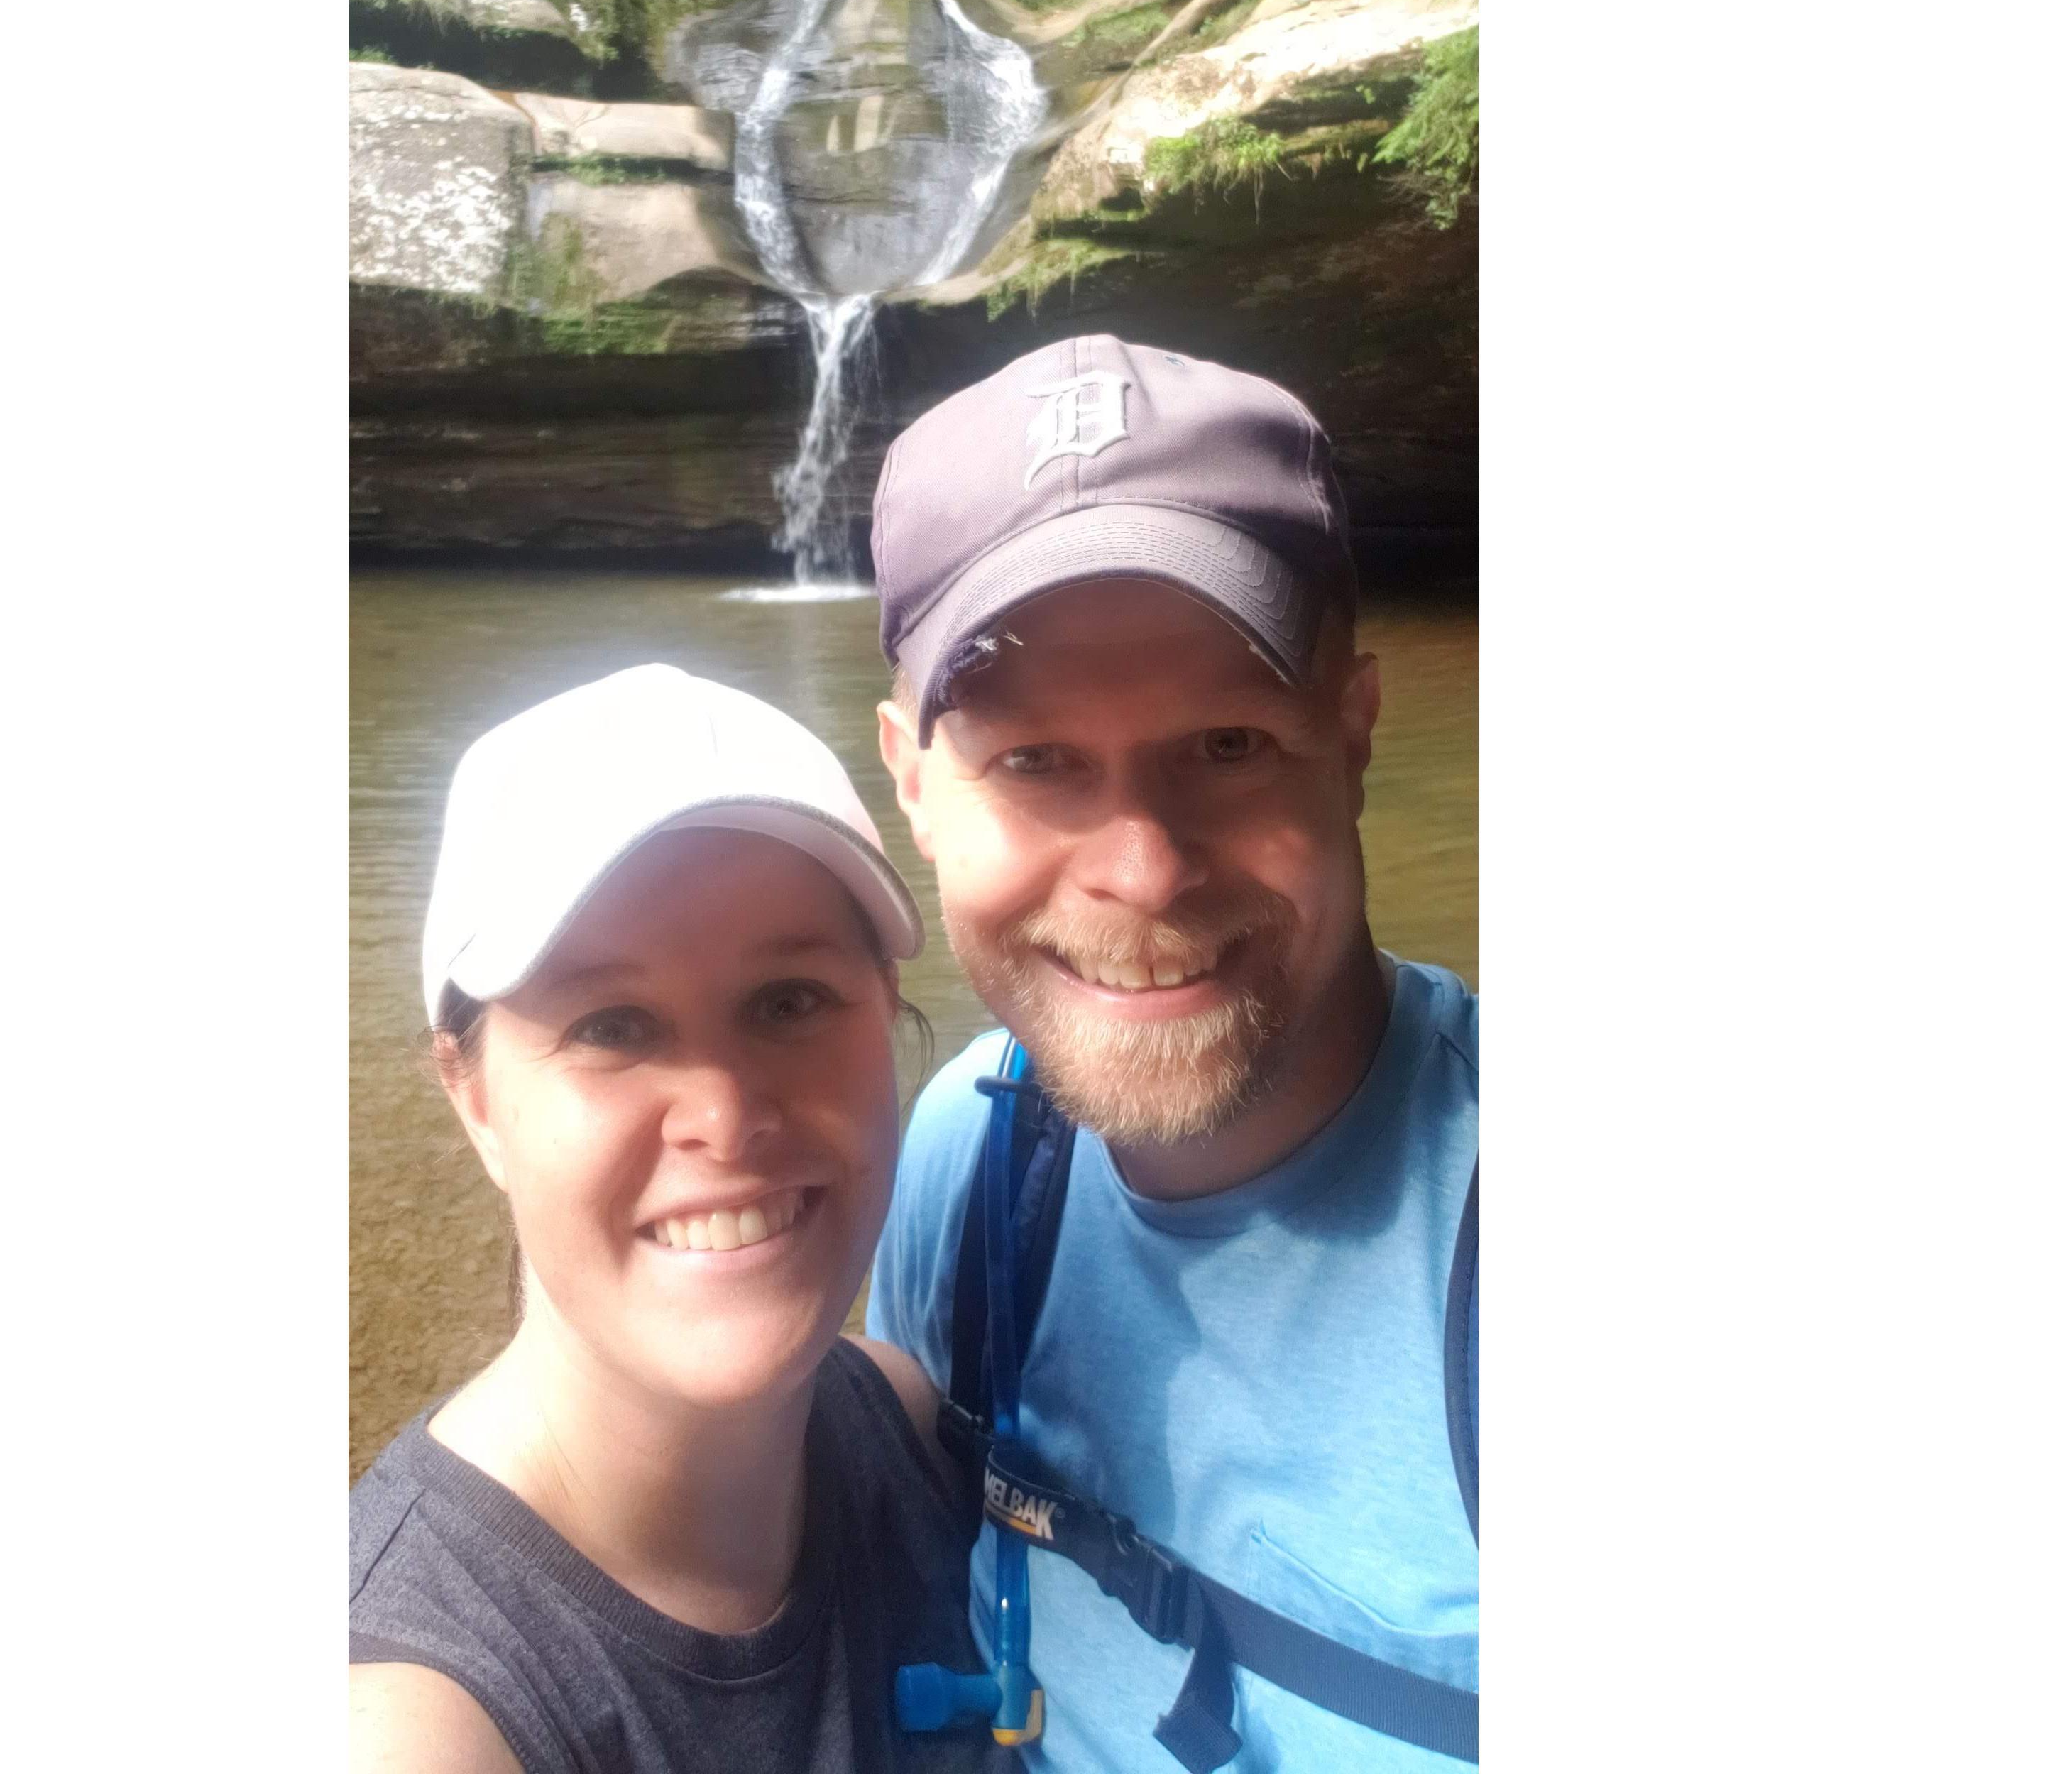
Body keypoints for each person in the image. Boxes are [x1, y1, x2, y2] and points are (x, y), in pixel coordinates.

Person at [865, 336, 1479, 1772]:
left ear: (1355, 733)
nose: (1141, 871)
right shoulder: (970, 1145)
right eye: (1033, 761)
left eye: (1227, 745)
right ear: (911, 784)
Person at [349, 664, 994, 1773]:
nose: (725, 1116)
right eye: (612, 1025)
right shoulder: (411, 1715)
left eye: (788, 1001)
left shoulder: (908, 1429)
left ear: (883, 1011)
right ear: (474, 1099)